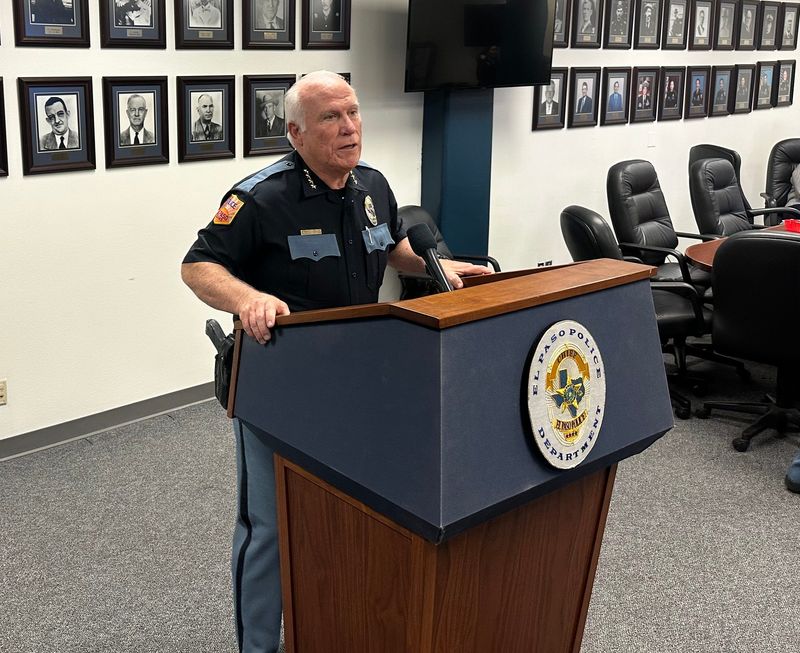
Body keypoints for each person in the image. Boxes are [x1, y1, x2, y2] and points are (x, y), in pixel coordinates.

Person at [180, 70, 491, 653]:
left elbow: (390, 245)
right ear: (295, 133)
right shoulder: (258, 198)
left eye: (353, 112)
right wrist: (247, 299)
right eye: (331, 117)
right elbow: (198, 266)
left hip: (361, 379)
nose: (349, 127)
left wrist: (437, 266)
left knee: (348, 514)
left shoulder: (372, 185)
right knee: (269, 528)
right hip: (280, 387)